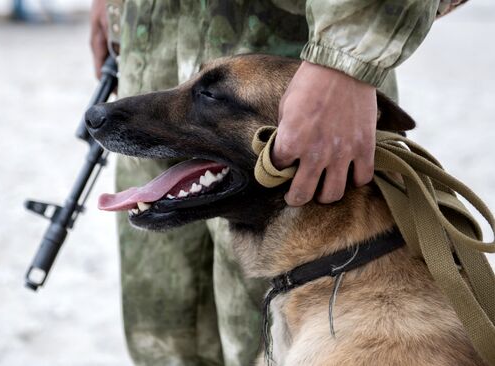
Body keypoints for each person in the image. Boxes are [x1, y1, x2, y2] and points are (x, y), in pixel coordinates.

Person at [90, 1, 466, 365]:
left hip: (316, 77)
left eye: (208, 94)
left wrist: (346, 64)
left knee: (247, 335)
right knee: (166, 341)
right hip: (158, 42)